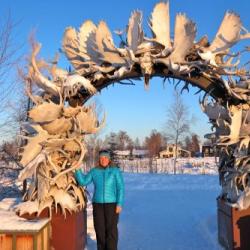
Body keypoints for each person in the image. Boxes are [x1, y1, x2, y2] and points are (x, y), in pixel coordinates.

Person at [74, 150, 124, 250]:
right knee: (100, 230)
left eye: (105, 158)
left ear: (109, 159)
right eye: (101, 158)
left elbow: (120, 187)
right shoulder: (94, 171)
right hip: (98, 205)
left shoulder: (115, 171)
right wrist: (77, 170)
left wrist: (119, 203)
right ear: (99, 159)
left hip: (112, 204)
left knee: (111, 231)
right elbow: (83, 182)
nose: (103, 160)